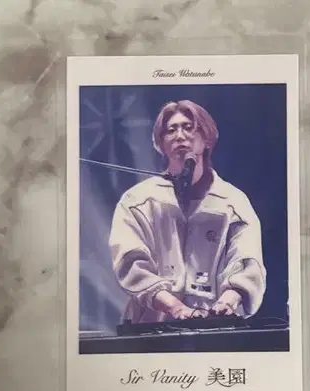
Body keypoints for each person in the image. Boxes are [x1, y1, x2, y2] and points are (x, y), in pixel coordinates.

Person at [108, 100, 266, 324]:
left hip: (214, 329)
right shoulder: (137, 201)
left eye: (188, 127)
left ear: (207, 137)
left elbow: (247, 261)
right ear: (161, 143)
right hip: (151, 327)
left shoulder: (233, 202)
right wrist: (176, 307)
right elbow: (130, 262)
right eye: (171, 130)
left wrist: (227, 302)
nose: (180, 136)